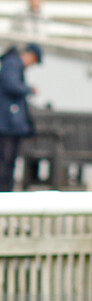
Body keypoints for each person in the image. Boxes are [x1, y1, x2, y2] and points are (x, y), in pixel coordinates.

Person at [0, 43, 42, 191]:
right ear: (29, 55)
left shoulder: (11, 64)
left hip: (9, 124)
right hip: (8, 125)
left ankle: (6, 191)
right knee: (6, 160)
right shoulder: (12, 64)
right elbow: (11, 85)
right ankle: (4, 192)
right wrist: (29, 89)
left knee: (8, 161)